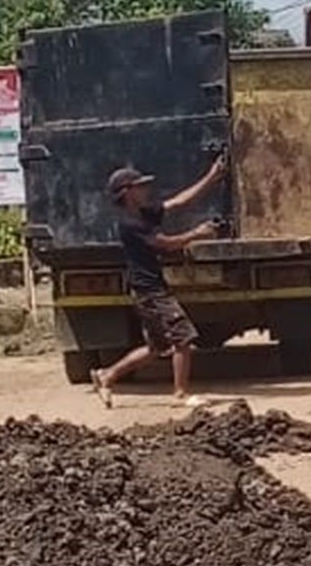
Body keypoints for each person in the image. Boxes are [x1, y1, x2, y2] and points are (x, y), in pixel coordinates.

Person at [91, 155, 227, 409]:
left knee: (157, 346)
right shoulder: (130, 223)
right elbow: (164, 244)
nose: (146, 190)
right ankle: (180, 394)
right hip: (150, 291)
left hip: (150, 288)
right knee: (183, 337)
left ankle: (107, 375)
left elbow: (178, 202)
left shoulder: (144, 213)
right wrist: (197, 234)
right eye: (141, 186)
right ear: (128, 193)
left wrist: (211, 177)